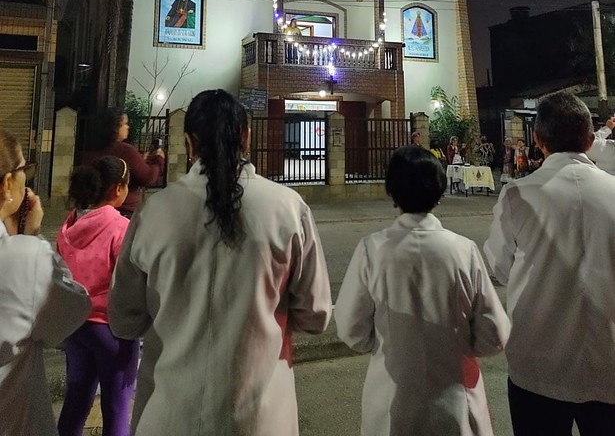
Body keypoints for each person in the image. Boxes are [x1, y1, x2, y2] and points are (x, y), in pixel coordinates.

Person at [109, 89, 331, 436]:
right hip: (260, 417)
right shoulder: (288, 207)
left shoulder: (154, 213)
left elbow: (123, 319)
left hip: (170, 414)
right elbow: (316, 314)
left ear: (188, 142)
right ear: (246, 136)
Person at [335, 145, 509, 436]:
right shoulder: (462, 249)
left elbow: (351, 329)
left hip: (390, 399)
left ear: (392, 192)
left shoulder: (373, 248)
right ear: (439, 193)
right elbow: (494, 334)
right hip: (455, 400)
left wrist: (386, 343)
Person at [484, 91, 615, 435]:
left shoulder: (518, 195)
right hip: (610, 361)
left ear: (538, 141)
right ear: (590, 140)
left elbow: (498, 268)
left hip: (538, 364)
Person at [0, 128, 90, 436]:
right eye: (23, 169)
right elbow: (73, 311)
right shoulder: (25, 259)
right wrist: (32, 238)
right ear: (7, 184)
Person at [57, 157, 139, 436]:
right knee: (116, 408)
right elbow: (129, 280)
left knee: (76, 400)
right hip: (111, 330)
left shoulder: (68, 227)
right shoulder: (120, 227)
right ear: (118, 189)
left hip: (74, 326)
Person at [86, 108, 158, 217]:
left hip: (95, 211)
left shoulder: (91, 150)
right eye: (125, 124)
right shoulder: (126, 151)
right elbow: (148, 177)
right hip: (124, 212)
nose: (127, 127)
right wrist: (158, 160)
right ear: (115, 127)